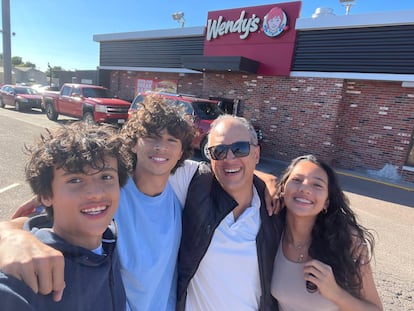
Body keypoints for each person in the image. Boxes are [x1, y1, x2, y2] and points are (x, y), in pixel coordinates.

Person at [0, 97, 278, 310]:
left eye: (172, 140)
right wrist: (12, 236)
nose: (162, 148)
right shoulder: (109, 192)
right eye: (152, 138)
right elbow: (35, 222)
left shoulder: (185, 183)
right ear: (133, 143)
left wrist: (264, 179)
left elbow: (232, 166)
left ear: (183, 151)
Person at [0, 122, 129, 310]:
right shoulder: (23, 279)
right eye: (75, 180)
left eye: (106, 177)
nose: (96, 193)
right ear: (45, 196)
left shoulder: (109, 241)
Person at [177, 115, 280, 310]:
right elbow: (151, 162)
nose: (229, 159)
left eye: (240, 149)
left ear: (256, 154)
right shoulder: (194, 183)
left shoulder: (274, 210)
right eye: (219, 151)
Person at [270, 154, 383, 310]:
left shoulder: (346, 244)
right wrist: (268, 182)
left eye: (317, 185)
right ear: (283, 188)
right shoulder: (271, 234)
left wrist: (336, 294)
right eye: (296, 180)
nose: (304, 189)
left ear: (326, 202)